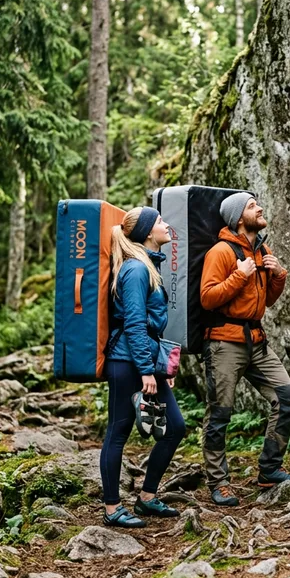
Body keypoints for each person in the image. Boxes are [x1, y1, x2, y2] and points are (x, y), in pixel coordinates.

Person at [200, 192, 290, 506]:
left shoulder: (261, 249)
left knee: (287, 397)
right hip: (224, 343)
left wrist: (278, 275)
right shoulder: (220, 252)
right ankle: (219, 482)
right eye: (251, 205)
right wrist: (239, 275)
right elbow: (208, 298)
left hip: (256, 342)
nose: (259, 208)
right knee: (220, 413)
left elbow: (266, 301)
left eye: (257, 203)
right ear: (237, 218)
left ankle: (269, 469)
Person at [100, 206, 186, 527]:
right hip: (126, 362)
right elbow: (135, 324)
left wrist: (159, 367)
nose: (166, 224)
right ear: (149, 232)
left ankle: (147, 497)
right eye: (160, 221)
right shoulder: (136, 269)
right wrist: (147, 370)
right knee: (118, 432)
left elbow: (151, 327)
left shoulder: (147, 265)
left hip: (143, 359)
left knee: (175, 428)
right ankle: (112, 509)